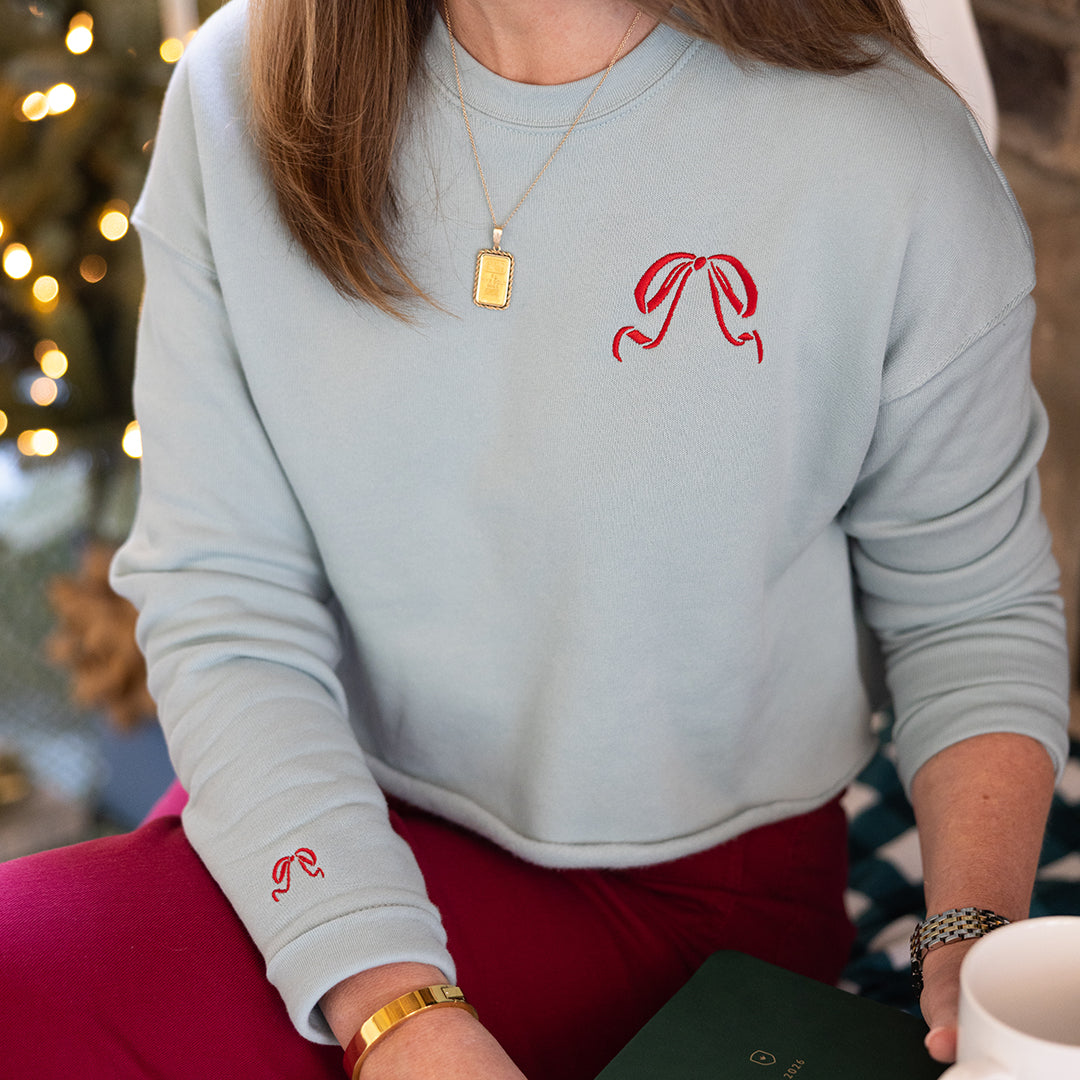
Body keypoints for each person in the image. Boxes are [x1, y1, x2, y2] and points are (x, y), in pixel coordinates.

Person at [0, 1, 1069, 1078]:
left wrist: (966, 938)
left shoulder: (884, 151)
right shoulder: (242, 86)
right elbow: (224, 595)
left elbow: (970, 611)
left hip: (684, 894)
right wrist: (392, 1005)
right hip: (314, 806)